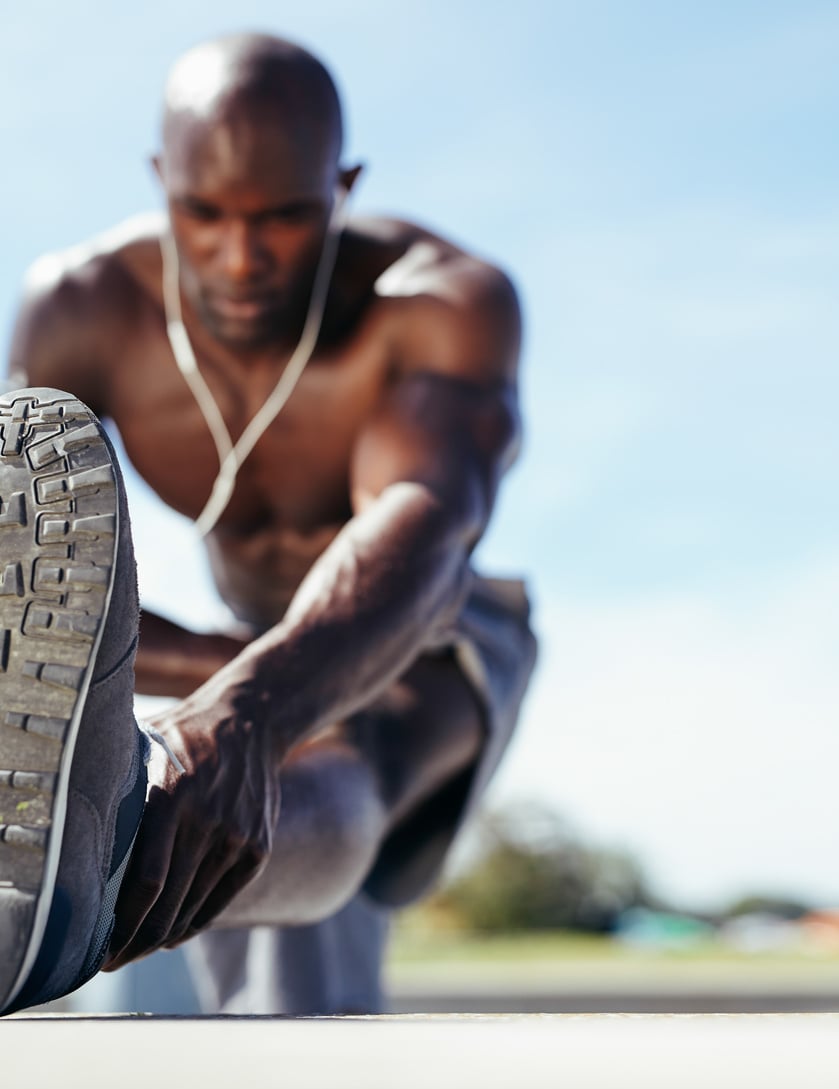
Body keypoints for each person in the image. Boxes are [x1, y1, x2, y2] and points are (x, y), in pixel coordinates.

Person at [0, 33, 536, 1016]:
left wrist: (251, 710)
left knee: (340, 747)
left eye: (285, 217)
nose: (239, 258)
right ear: (162, 181)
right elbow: (35, 570)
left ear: (342, 186)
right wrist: (221, 679)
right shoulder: (81, 307)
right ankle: (95, 851)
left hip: (426, 620)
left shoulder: (435, 301)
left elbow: (425, 521)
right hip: (226, 639)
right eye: (202, 214)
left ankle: (95, 881)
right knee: (199, 769)